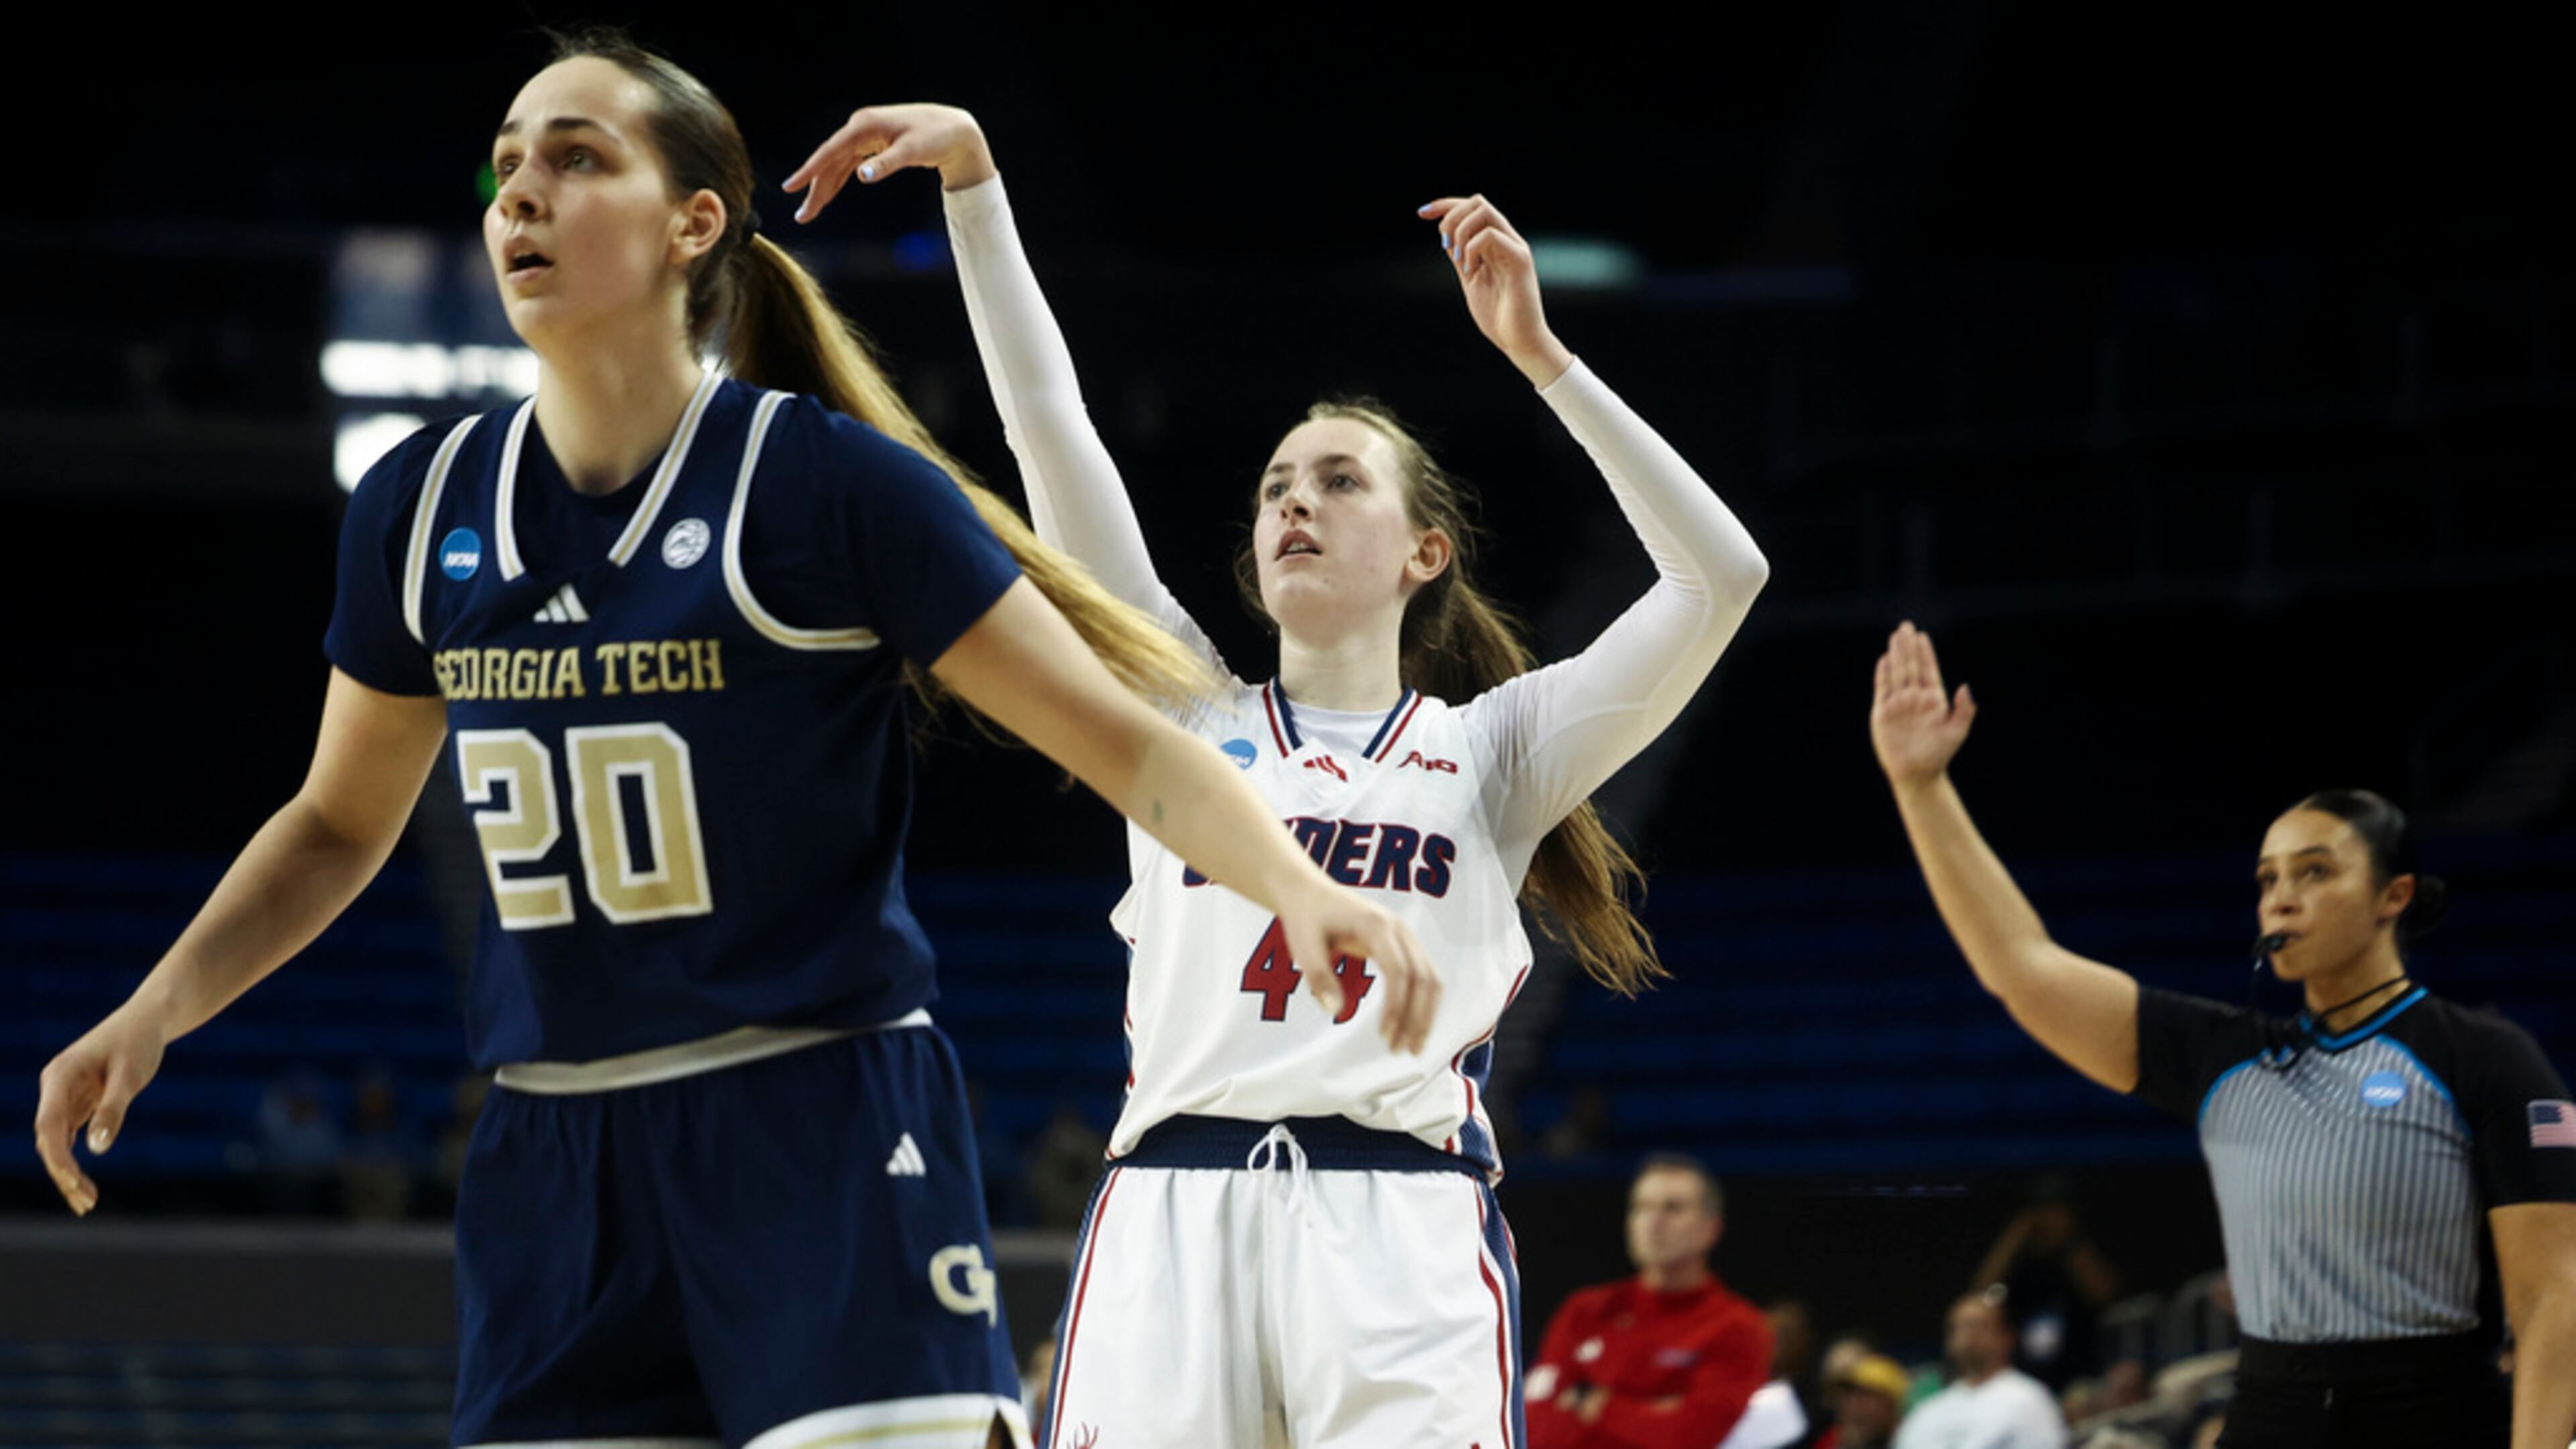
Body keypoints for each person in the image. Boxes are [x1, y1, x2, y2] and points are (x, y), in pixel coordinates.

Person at [31, 32, 1438, 1449]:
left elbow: (1127, 747)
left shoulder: (826, 488)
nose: (522, 191)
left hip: (818, 1118)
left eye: (578, 159)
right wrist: (157, 1009)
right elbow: (337, 823)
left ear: (693, 222)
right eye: (508, 161)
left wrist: (1305, 890)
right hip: (552, 1154)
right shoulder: (420, 508)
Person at [783, 105, 1770, 1448]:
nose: (1294, 501)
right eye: (1274, 487)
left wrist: (1545, 362)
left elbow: (1723, 576)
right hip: (1173, 1211)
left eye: (1338, 481)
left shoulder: (1493, 751)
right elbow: (1047, 428)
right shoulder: (1181, 711)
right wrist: (976, 188)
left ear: (1427, 551)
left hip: (1398, 1224)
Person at [1868, 621, 2576, 1449]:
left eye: (2317, 871)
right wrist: (1922, 788)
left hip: (2435, 1418)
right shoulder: (2226, 1060)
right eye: (2268, 879)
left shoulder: (2487, 1058)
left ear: (2394, 895)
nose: (2281, 898)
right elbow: (2021, 966)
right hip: (2268, 1417)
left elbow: (2554, 1297)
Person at [1523, 1156, 1776, 1448]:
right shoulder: (1585, 1310)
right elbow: (1536, 1426)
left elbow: (1691, 1437)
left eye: (1673, 1208)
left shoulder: (1739, 1327)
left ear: (1712, 1228)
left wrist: (1596, 1404)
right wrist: (1653, 1410)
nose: (1654, 1222)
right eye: (1642, 1208)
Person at [1890, 1289, 2065, 1449]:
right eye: (1959, 1328)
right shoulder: (1927, 1411)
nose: (1969, 1337)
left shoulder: (2029, 1399)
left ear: (2007, 1337)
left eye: (1978, 1326)